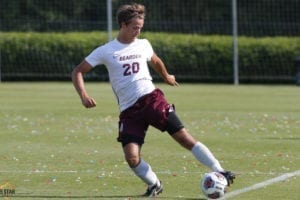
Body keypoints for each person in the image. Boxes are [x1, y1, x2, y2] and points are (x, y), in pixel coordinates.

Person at [72, 3, 235, 197]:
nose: (138, 31)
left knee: (184, 137)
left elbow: (156, 61)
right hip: (129, 111)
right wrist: (83, 95)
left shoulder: (143, 44)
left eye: (140, 27)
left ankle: (220, 170)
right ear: (123, 25)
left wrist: (166, 77)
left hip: (152, 101)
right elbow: (78, 71)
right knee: (132, 157)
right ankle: (154, 184)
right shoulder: (106, 51)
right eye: (135, 27)